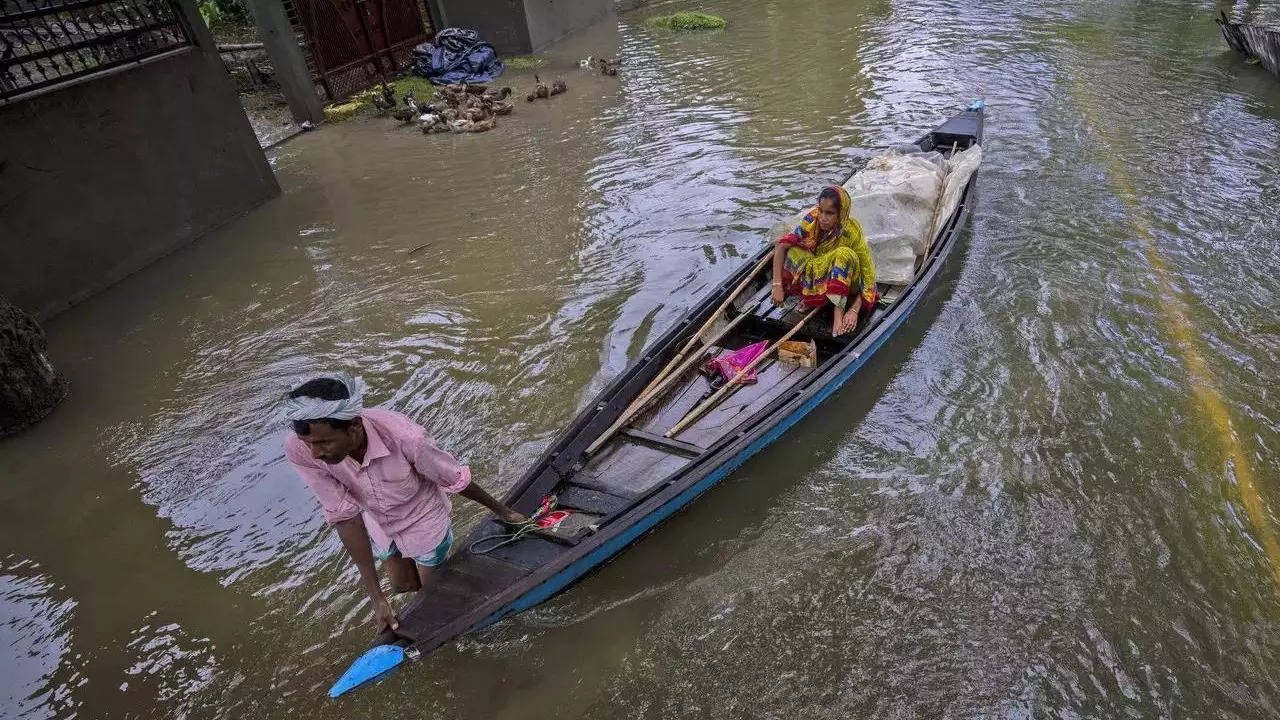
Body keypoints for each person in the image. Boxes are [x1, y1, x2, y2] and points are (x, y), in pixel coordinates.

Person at [282, 372, 526, 633]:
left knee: (435, 597)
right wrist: (377, 599)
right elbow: (344, 516)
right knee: (403, 586)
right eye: (308, 443)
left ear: (354, 426)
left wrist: (502, 511)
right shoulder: (301, 450)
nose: (315, 453)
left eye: (324, 442)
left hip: (423, 516)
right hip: (379, 520)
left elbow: (452, 477)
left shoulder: (406, 439)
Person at [771, 185, 879, 336]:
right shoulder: (812, 219)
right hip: (824, 274)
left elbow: (868, 277)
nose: (822, 217)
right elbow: (782, 246)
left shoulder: (851, 231)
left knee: (843, 254)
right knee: (793, 251)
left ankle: (838, 312)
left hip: (848, 282)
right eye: (821, 210)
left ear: (841, 214)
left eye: (830, 213)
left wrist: (854, 310)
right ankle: (815, 297)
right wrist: (777, 286)